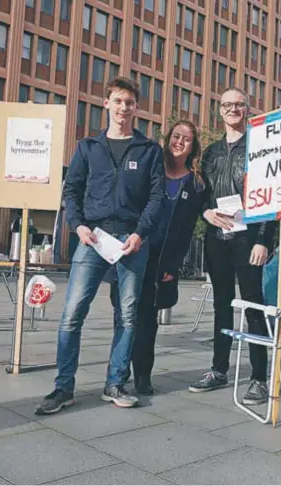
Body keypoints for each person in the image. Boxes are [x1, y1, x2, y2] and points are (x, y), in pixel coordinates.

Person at [35, 77, 164, 414]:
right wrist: (77, 225)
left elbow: (156, 198)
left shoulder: (149, 150)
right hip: (93, 238)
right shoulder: (88, 147)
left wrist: (140, 232)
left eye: (130, 103)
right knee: (72, 313)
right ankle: (63, 388)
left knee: (128, 316)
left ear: (137, 108)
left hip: (132, 242)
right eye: (118, 101)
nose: (124, 108)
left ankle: (115, 383)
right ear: (106, 103)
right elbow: (71, 190)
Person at [188, 88, 277, 406]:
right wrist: (206, 213)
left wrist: (264, 240)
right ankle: (218, 369)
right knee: (221, 305)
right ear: (220, 111)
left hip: (248, 239)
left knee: (253, 306)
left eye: (239, 104)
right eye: (228, 105)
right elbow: (201, 196)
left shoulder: (260, 148)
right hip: (218, 239)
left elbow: (272, 195)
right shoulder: (210, 153)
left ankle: (259, 378)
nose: (233, 109)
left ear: (248, 109)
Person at [112, 120, 207, 395]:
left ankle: (143, 374)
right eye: (176, 136)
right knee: (124, 312)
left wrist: (173, 265)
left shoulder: (196, 182)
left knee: (148, 318)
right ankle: (120, 370)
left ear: (193, 146)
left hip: (162, 258)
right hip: (134, 247)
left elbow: (188, 229)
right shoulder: (152, 168)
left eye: (187, 139)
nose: (180, 142)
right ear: (168, 139)